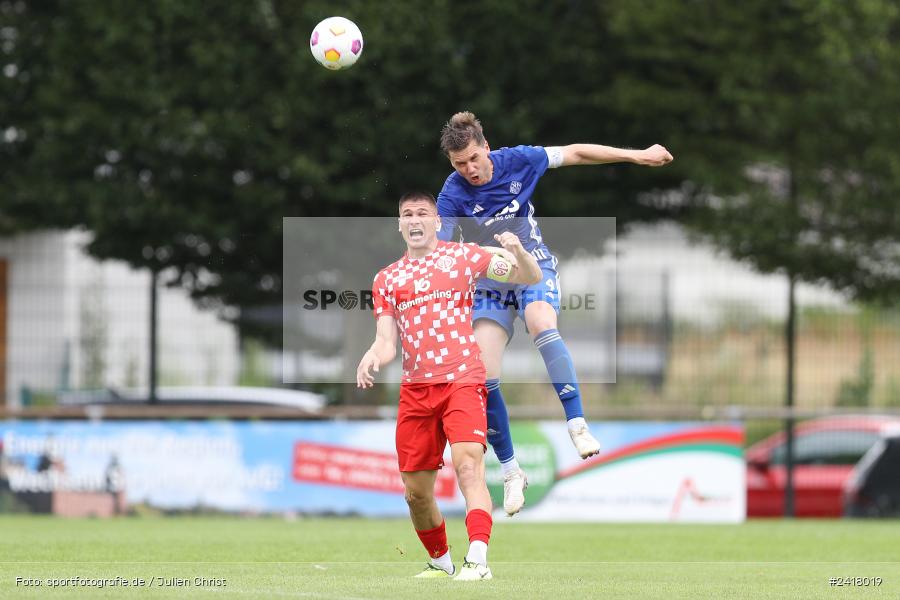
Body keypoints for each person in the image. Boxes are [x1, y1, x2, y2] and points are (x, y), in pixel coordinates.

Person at [436, 111, 674, 516]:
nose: (469, 169)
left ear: (486, 147)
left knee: (542, 322)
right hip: (490, 282)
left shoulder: (520, 160)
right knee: (484, 374)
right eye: (460, 164)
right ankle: (511, 471)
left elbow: (577, 152)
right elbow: (440, 250)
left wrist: (636, 156)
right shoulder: (451, 193)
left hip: (531, 265)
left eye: (474, 158)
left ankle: (577, 425)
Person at [357, 191, 541, 581]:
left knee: (468, 466)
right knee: (416, 493)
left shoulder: (463, 256)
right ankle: (441, 561)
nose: (415, 220)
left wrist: (518, 251)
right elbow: (387, 340)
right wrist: (373, 354)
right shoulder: (387, 278)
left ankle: (478, 559)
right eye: (407, 214)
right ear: (400, 224)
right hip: (416, 390)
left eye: (422, 213)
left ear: (437, 221)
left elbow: (530, 276)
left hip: (462, 379)